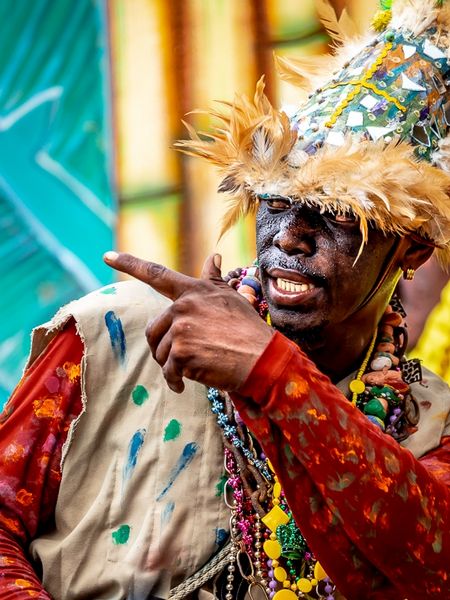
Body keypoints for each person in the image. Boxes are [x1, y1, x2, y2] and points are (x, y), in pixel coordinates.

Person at [1, 0, 450, 598]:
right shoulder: (116, 329)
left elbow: (433, 572)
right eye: (276, 200)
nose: (289, 236)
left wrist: (271, 371)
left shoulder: (430, 418)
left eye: (339, 212)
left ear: (413, 249)